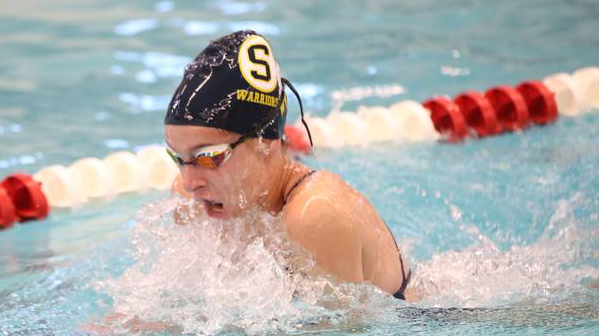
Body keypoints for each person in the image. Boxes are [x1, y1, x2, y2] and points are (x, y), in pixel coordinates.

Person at [165, 30, 413, 300]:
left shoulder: (316, 216)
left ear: (265, 143)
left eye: (208, 157)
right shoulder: (194, 201)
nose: (190, 182)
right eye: (179, 158)